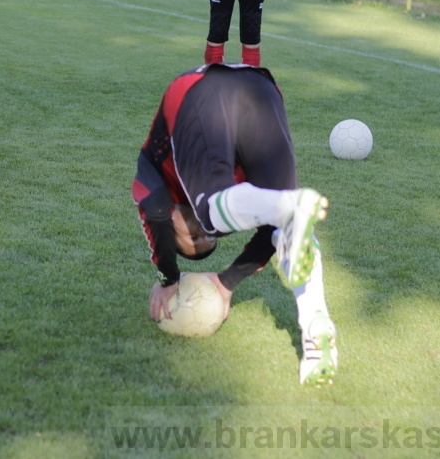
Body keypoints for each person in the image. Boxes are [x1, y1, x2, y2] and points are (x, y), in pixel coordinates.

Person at [133, 63, 337, 387]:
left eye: (191, 236)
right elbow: (266, 237)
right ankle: (317, 333)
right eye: (205, 240)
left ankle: (287, 203)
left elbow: (153, 215)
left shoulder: (157, 178)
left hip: (195, 93)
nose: (200, 231)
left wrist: (168, 277)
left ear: (173, 228)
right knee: (285, 230)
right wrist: (227, 282)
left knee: (222, 212)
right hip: (263, 91)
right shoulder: (237, 194)